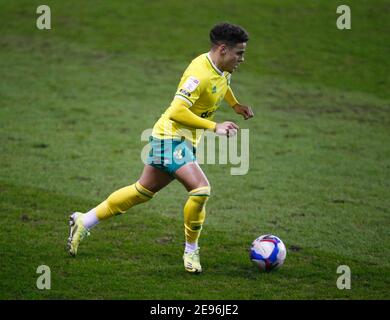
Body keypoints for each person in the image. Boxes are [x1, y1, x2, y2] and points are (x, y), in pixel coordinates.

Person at [67, 22, 254, 274]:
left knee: (141, 192)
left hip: (180, 140)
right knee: (201, 190)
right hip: (170, 138)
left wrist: (235, 105)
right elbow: (177, 111)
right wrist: (214, 126)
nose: (242, 58)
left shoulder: (222, 67)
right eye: (239, 53)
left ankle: (84, 220)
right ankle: (191, 251)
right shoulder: (197, 74)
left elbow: (222, 84)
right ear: (222, 49)